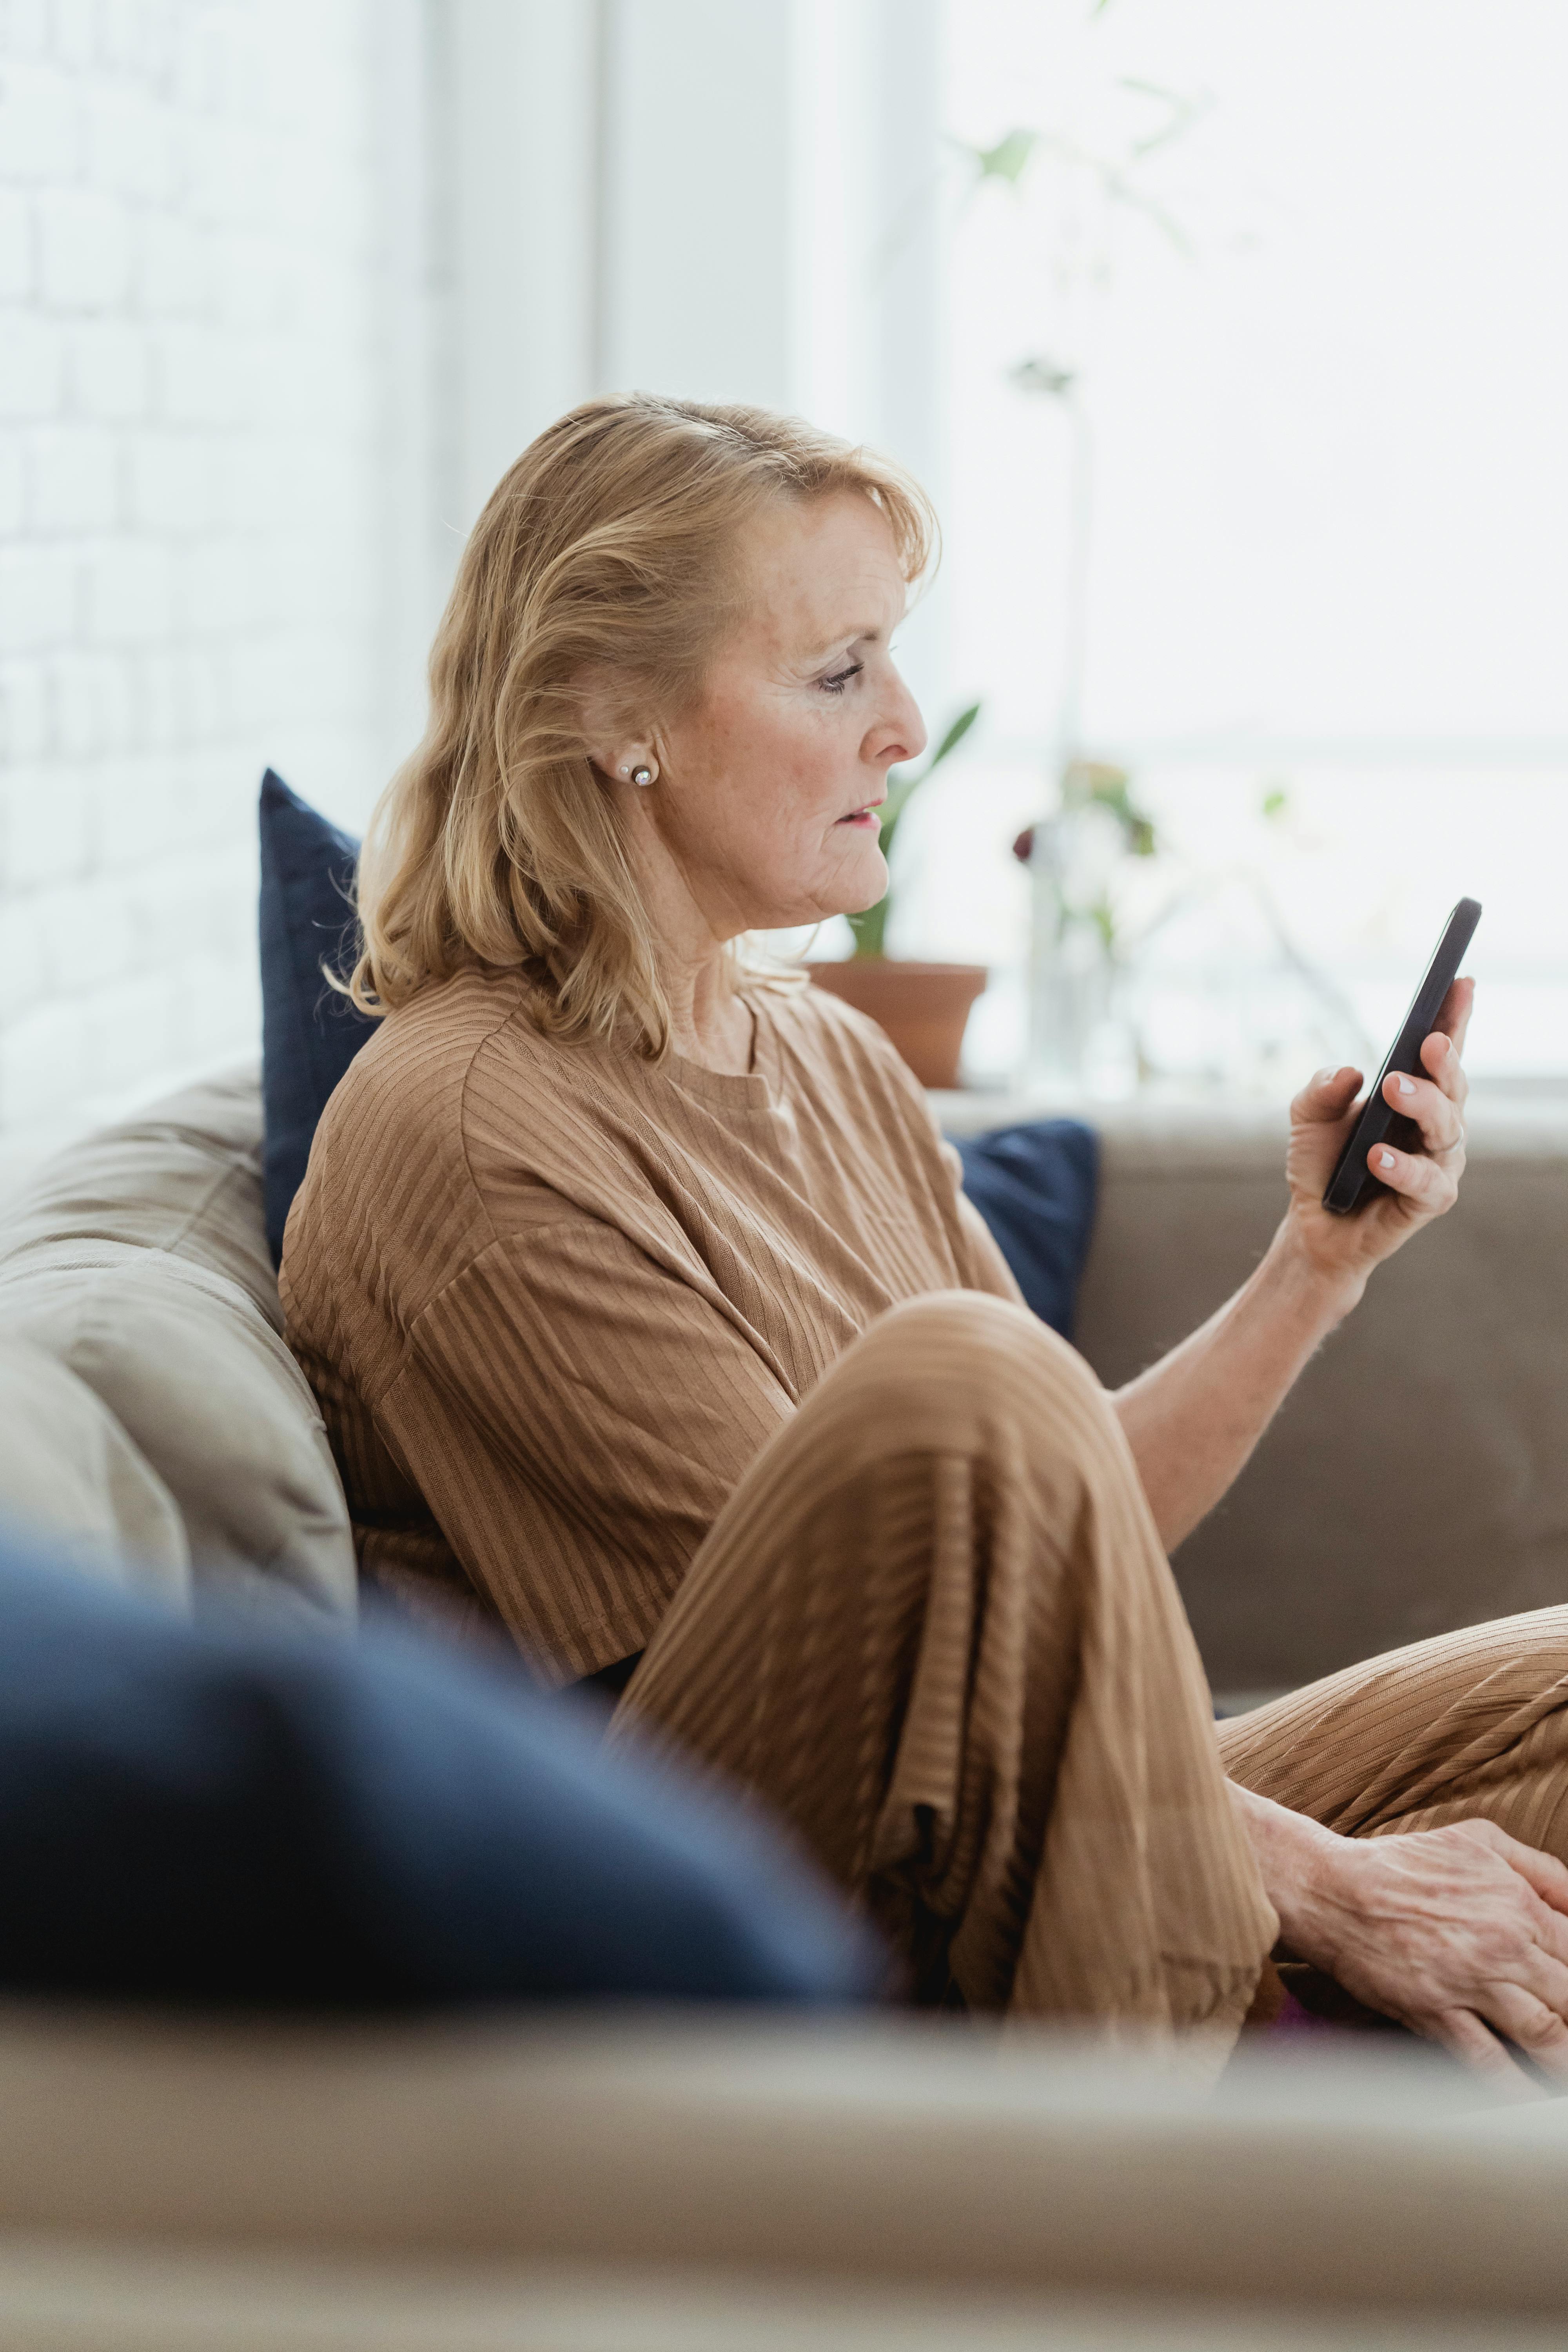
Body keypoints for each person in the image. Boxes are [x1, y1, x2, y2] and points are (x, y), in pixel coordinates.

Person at [282, 394, 1568, 2088]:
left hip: (1030, 1795)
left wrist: (1312, 1266)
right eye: (836, 672)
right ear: (611, 718)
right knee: (964, 1378)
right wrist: (1343, 1888)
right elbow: (879, 1675)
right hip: (801, 1905)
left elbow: (1048, 1514)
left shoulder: (818, 1048)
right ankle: (1187, 2130)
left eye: (895, 661)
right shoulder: (466, 1128)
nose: (904, 727)